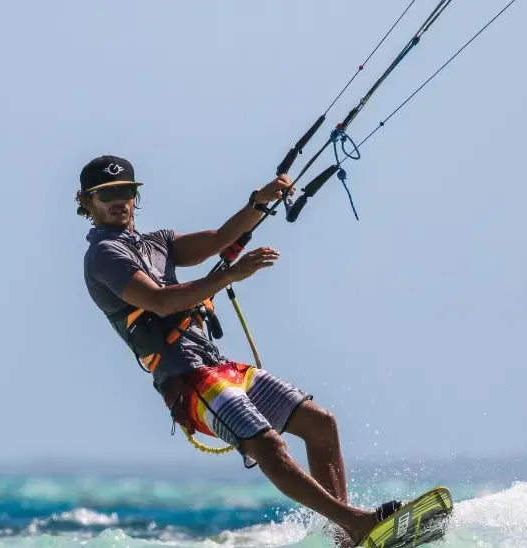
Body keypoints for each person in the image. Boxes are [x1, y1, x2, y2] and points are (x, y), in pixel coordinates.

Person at [77, 155, 400, 546]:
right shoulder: (104, 256)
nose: (118, 200)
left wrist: (259, 202)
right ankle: (356, 523)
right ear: (87, 202)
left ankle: (346, 537)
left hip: (218, 365)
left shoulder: (156, 242)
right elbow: (161, 302)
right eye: (106, 194)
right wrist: (231, 274)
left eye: (125, 191)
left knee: (321, 424)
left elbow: (217, 241)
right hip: (187, 380)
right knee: (266, 444)